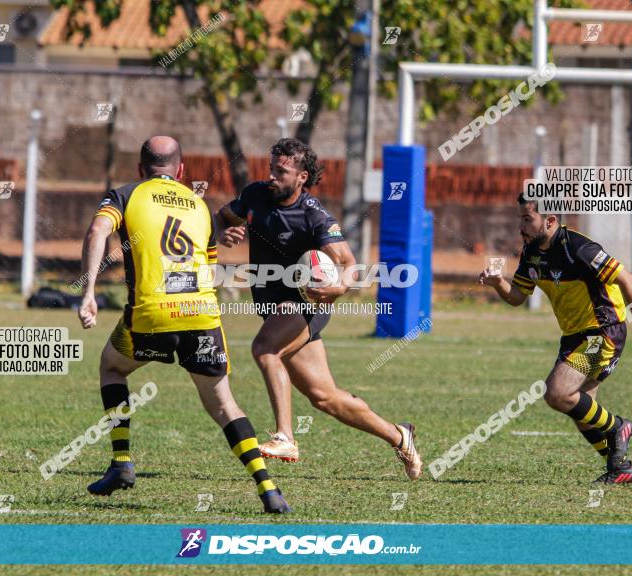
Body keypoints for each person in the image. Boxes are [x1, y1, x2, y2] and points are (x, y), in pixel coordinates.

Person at [78, 136, 290, 513]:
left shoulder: (126, 194)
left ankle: (122, 463)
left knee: (111, 367)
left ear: (141, 169)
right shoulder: (199, 205)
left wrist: (88, 291)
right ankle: (268, 489)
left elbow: (97, 232)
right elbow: (207, 267)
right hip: (202, 315)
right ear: (181, 171)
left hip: (152, 313)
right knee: (224, 404)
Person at [215, 138, 422, 480]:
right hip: (274, 308)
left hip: (307, 302)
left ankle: (285, 437)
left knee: (265, 351)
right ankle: (400, 436)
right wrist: (226, 232)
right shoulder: (255, 195)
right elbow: (223, 215)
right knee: (325, 398)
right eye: (271, 168)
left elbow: (348, 263)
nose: (272, 176)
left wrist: (339, 286)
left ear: (302, 177)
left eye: (281, 171)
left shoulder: (314, 215)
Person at [479, 193, 632, 483]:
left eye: (526, 219)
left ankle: (618, 427)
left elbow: (628, 279)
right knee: (581, 408)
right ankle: (620, 468)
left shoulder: (578, 248)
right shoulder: (531, 253)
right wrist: (498, 282)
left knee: (558, 393)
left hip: (604, 330)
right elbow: (516, 297)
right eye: (519, 218)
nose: (520, 226)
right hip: (574, 336)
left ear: (549, 220)